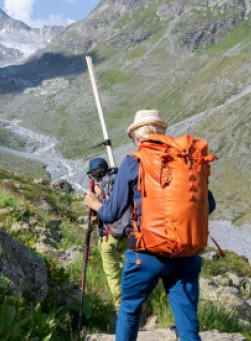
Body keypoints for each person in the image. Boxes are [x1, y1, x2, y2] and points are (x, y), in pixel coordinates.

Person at [83, 110, 215, 341]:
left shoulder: (134, 161)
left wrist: (94, 203)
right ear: (162, 131)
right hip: (186, 252)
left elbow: (112, 213)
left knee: (130, 309)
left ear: (136, 137)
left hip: (148, 253)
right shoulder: (186, 159)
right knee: (186, 317)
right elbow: (209, 205)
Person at [86, 157, 132, 307]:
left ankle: (122, 309)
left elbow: (100, 215)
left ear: (94, 175)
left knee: (113, 276)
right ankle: (137, 302)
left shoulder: (98, 188)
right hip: (130, 233)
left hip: (109, 236)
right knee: (130, 269)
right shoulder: (121, 182)